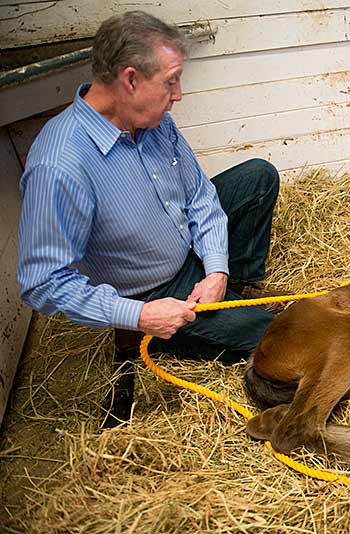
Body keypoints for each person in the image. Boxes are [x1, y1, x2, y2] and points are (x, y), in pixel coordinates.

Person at [16, 11, 281, 425]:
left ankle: (236, 288)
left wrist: (216, 270)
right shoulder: (61, 165)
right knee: (273, 336)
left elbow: (199, 196)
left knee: (257, 179)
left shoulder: (153, 121)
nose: (177, 94)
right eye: (171, 80)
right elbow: (42, 283)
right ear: (131, 79)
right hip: (152, 290)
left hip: (186, 249)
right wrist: (139, 315)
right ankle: (155, 336)